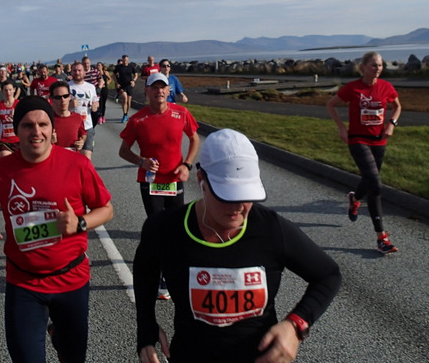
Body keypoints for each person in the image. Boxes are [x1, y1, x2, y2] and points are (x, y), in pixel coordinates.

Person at [133, 129, 341, 363]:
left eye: (246, 195)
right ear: (201, 181)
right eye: (226, 196)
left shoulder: (271, 229)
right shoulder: (164, 228)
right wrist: (146, 325)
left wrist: (296, 325)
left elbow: (328, 275)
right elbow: (145, 273)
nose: (238, 208)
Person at [0, 96, 114, 363]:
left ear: (53, 129)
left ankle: (57, 333)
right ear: (17, 130)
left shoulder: (77, 164)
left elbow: (106, 209)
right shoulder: (0, 170)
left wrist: (80, 222)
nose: (36, 132)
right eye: (27, 125)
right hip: (23, 282)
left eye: (43, 124)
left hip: (71, 280)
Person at [119, 72, 200, 299]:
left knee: (176, 227)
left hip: (174, 180)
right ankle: (159, 274)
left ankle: (173, 271)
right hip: (150, 182)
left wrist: (187, 165)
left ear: (168, 90)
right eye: (154, 88)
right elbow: (123, 151)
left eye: (163, 87)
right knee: (157, 228)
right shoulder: (138, 119)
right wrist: (141, 161)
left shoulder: (181, 113)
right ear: (147, 92)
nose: (159, 91)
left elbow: (194, 139)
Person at [326, 51, 402, 254]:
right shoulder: (353, 88)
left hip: (379, 141)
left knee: (370, 179)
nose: (377, 69)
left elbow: (397, 106)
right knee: (375, 185)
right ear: (364, 67)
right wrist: (342, 128)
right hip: (358, 140)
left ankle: (355, 199)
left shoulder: (386, 86)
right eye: (373, 65)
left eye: (380, 65)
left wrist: (391, 123)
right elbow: (331, 104)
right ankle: (381, 238)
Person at [68, 62, 99, 159]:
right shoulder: (66, 86)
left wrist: (95, 107)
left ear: (84, 72)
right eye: (74, 70)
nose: (77, 73)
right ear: (71, 72)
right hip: (71, 127)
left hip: (87, 126)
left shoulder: (90, 87)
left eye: (79, 70)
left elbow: (95, 101)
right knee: (72, 158)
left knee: (86, 158)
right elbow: (58, 106)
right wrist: (70, 105)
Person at [50, 80, 86, 151]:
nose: (62, 100)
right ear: (52, 99)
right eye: (58, 97)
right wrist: (48, 141)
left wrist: (81, 142)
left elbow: (83, 134)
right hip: (54, 158)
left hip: (73, 158)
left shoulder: (77, 117)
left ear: (69, 97)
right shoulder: (47, 118)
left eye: (65, 96)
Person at [0, 79, 19, 158]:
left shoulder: (19, 104)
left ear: (14, 90)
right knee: (5, 158)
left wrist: (16, 116)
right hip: (3, 140)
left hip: (18, 140)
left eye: (10, 90)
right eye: (6, 90)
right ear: (2, 91)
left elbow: (26, 120)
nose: (8, 93)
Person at [114, 54, 138, 122]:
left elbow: (136, 74)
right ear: (122, 60)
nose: (125, 61)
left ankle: (127, 114)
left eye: (126, 60)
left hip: (129, 85)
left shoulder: (131, 66)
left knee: (129, 101)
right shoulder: (119, 67)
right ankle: (124, 114)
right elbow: (114, 74)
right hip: (122, 85)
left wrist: (133, 81)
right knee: (125, 98)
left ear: (128, 60)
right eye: (124, 60)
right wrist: (117, 83)